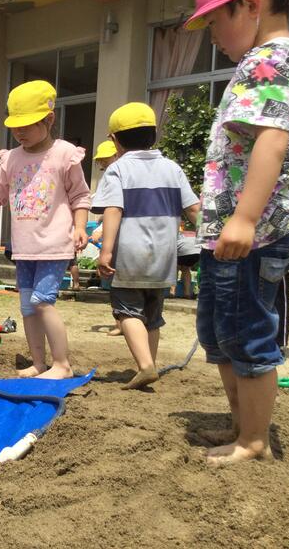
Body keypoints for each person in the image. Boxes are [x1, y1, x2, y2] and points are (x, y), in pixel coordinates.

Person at [185, 0, 289, 465]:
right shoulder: (267, 61)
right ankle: (242, 426)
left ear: (251, 5)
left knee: (244, 330)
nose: (212, 36)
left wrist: (245, 218)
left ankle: (253, 440)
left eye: (214, 21)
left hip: (254, 231)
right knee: (219, 330)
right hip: (234, 231)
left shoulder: (267, 60)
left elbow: (272, 139)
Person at [0, 80, 91, 379]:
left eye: (26, 126)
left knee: (43, 301)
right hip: (24, 247)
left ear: (49, 120)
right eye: (15, 126)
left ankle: (62, 365)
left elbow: (80, 195)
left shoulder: (64, 154)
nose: (19, 132)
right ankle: (39, 363)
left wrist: (80, 226)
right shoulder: (12, 158)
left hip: (54, 245)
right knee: (28, 306)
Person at [93, 103, 200, 390]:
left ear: (114, 140)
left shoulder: (118, 169)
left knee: (127, 311)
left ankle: (145, 366)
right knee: (152, 315)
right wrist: (213, 238)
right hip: (164, 256)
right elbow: (193, 209)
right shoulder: (172, 168)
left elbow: (113, 210)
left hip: (130, 255)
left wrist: (105, 251)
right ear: (154, 134)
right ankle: (148, 363)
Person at [90, 140, 123, 336]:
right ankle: (121, 322)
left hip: (119, 238)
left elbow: (114, 208)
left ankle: (121, 323)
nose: (102, 163)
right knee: (116, 282)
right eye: (100, 160)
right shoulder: (115, 173)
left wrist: (101, 229)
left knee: (117, 282)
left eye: (105, 158)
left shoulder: (116, 173)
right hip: (118, 236)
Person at [171, 230, 200, 299]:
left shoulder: (176, 233)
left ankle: (172, 292)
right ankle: (187, 293)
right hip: (197, 251)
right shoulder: (192, 233)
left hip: (184, 249)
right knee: (186, 269)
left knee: (175, 268)